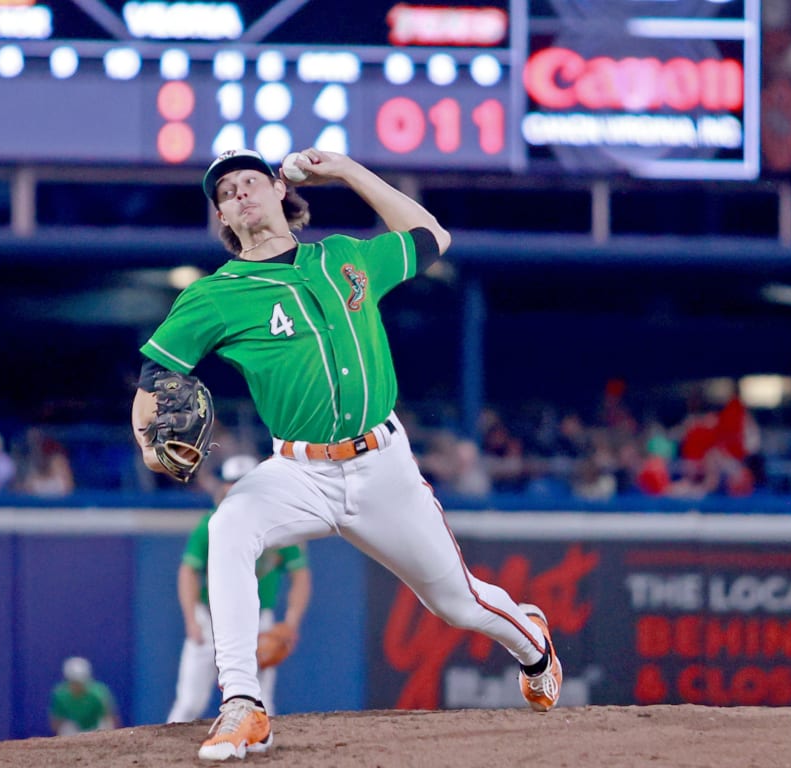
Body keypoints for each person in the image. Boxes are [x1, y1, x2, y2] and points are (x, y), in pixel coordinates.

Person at [131, 148, 561, 762]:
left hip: (382, 466)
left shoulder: (344, 258)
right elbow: (151, 384)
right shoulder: (214, 296)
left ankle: (533, 644)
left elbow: (431, 235)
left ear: (281, 190)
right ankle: (243, 705)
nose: (239, 194)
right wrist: (151, 449)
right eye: (225, 192)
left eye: (251, 181)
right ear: (222, 216)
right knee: (229, 525)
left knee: (457, 603)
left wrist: (349, 172)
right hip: (297, 472)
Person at [168, 454, 312, 724]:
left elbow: (300, 575)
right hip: (209, 619)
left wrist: (291, 622)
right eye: (231, 482)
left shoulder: (278, 523)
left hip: (258, 622)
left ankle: (263, 757)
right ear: (222, 486)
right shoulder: (212, 523)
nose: (234, 488)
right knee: (188, 705)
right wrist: (191, 620)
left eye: (242, 482)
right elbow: (188, 571)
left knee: (262, 702)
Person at [48, 656, 119, 736]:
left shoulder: (97, 694)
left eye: (80, 682)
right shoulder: (60, 695)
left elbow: (109, 716)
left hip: (95, 728)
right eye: (74, 682)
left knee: (106, 724)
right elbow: (56, 722)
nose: (77, 686)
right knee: (66, 727)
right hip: (74, 730)